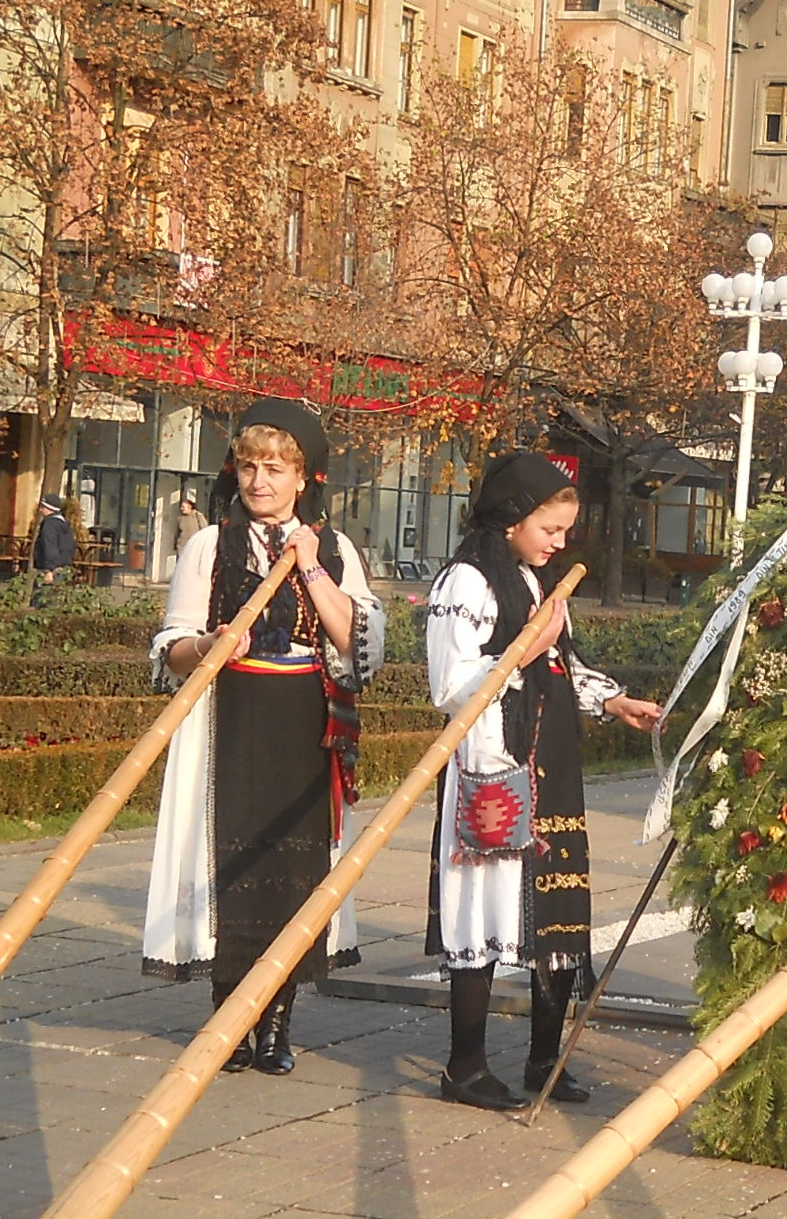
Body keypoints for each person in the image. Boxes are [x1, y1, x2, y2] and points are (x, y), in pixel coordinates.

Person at [142, 399, 385, 1076]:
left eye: (276, 470)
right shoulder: (207, 546)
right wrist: (210, 643)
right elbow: (168, 647)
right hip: (232, 716)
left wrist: (310, 566)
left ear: (304, 479)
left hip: (304, 721)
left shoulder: (335, 549)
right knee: (229, 864)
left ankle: (278, 1021)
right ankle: (230, 1017)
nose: (260, 482)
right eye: (249, 467)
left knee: (294, 870)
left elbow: (360, 648)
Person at [426, 453, 664, 1111]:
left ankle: (543, 1059)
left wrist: (613, 702)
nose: (560, 544)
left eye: (565, 532)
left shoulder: (536, 581)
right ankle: (465, 1065)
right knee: (481, 908)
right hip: (494, 766)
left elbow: (563, 662)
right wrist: (519, 652)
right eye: (550, 530)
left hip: (552, 760)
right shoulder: (465, 582)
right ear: (510, 519)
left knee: (556, 904)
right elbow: (449, 685)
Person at [30, 494, 77, 590]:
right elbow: (70, 547)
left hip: (50, 570)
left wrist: (49, 570)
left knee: (42, 601)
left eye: (43, 507)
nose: (40, 510)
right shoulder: (63, 524)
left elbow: (49, 547)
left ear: (48, 508)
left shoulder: (49, 524)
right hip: (63, 567)